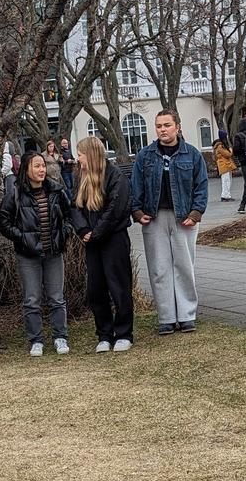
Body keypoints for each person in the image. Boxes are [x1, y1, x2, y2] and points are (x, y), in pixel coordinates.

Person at [131, 110, 208, 334]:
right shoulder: (145, 156)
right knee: (159, 268)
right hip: (154, 217)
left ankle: (186, 315)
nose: (162, 129)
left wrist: (195, 213)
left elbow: (201, 186)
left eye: (166, 125)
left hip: (184, 217)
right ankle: (166, 316)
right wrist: (136, 211)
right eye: (158, 126)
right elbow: (135, 184)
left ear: (177, 127)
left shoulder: (191, 155)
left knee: (184, 266)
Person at [1, 150, 71, 356]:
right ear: (26, 169)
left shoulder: (56, 190)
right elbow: (4, 223)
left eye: (43, 166)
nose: (41, 170)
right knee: (32, 299)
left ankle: (60, 337)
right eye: (37, 166)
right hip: (27, 255)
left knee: (57, 298)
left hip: (53, 252)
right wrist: (22, 237)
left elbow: (69, 215)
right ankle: (36, 340)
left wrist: (64, 234)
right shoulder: (15, 193)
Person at [72, 136, 134, 353]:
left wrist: (96, 233)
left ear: (90, 155)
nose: (77, 159)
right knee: (96, 289)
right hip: (92, 242)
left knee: (119, 287)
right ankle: (104, 334)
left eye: (80, 154)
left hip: (113, 239)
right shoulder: (79, 177)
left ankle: (124, 333)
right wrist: (83, 230)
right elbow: (75, 206)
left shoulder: (115, 175)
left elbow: (116, 209)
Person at [213, 134, 237, 203]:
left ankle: (226, 195)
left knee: (228, 181)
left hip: (226, 166)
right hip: (224, 166)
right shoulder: (220, 146)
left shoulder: (220, 146)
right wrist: (230, 150)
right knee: (226, 181)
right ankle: (225, 196)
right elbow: (228, 154)